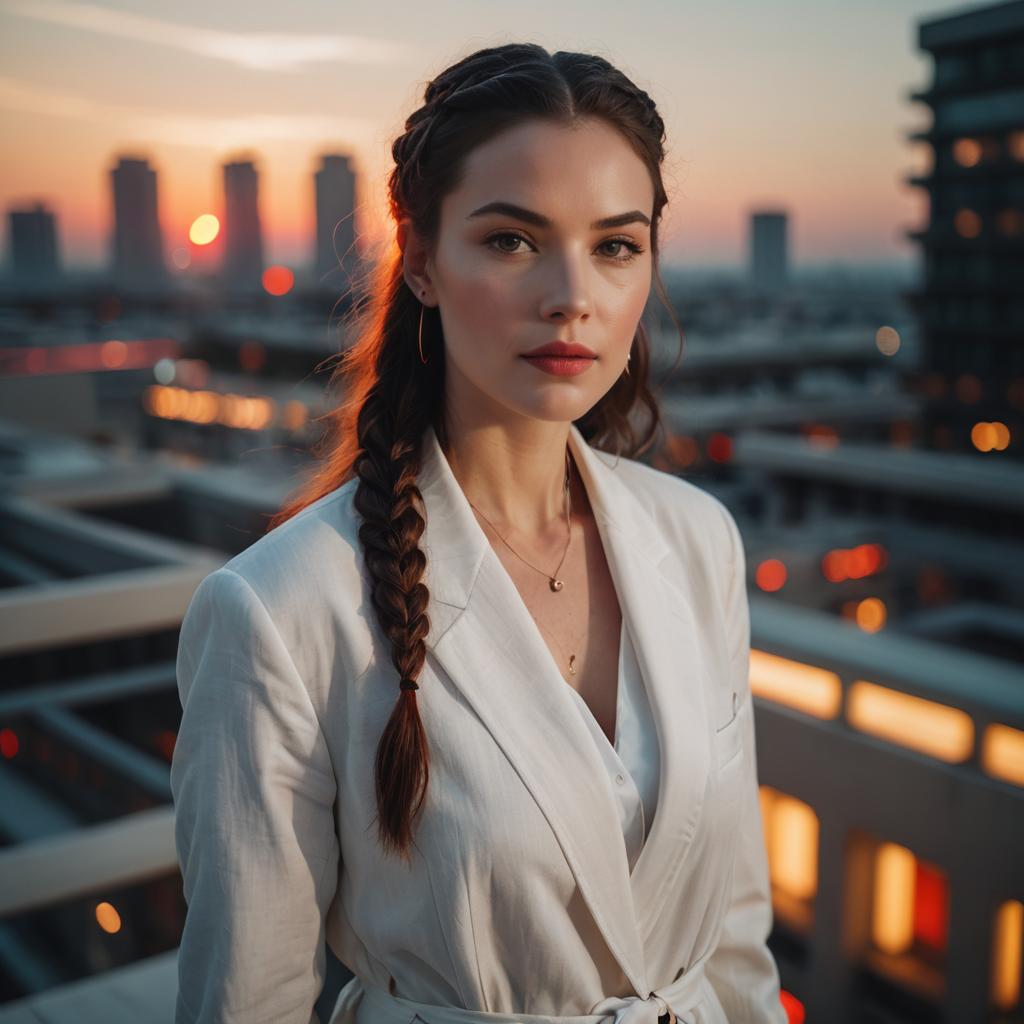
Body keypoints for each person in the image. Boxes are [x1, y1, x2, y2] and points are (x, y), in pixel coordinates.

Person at [170, 41, 786, 1024]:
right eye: (511, 239)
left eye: (615, 245)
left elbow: (737, 933)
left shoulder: (696, 538)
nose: (571, 295)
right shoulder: (280, 609)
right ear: (418, 261)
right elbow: (249, 1001)